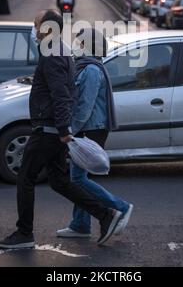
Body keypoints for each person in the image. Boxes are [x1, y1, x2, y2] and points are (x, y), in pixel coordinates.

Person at [0, 11, 123, 249]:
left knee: (25, 178)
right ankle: (105, 215)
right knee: (60, 181)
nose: (33, 29)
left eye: (36, 25)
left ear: (46, 27)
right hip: (53, 127)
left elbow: (62, 95)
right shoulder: (58, 50)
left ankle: (24, 234)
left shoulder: (53, 52)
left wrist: (65, 128)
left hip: (48, 128)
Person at [57, 28, 133, 239]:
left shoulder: (90, 70)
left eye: (78, 42)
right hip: (89, 128)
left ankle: (120, 206)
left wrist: (71, 129)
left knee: (77, 180)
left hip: (90, 129)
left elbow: (84, 106)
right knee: (78, 177)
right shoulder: (85, 66)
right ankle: (80, 225)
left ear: (87, 46)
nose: (75, 45)